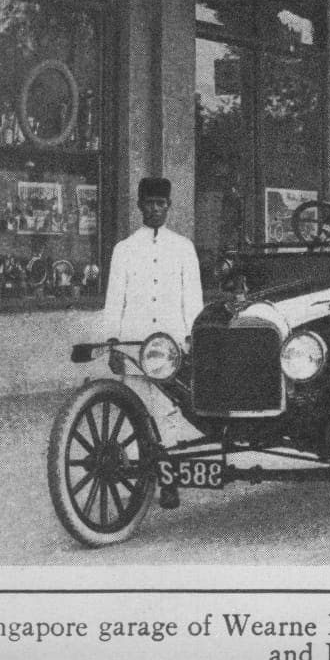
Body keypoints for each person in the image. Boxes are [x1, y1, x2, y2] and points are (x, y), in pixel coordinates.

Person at [103, 176, 204, 508]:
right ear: (140, 206)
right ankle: (137, 478)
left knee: (168, 413)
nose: (156, 209)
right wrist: (113, 345)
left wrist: (191, 339)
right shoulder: (125, 250)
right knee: (136, 409)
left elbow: (193, 300)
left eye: (161, 204)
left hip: (171, 346)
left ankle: (169, 480)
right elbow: (114, 300)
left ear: (169, 207)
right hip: (134, 345)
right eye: (150, 203)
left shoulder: (183, 248)